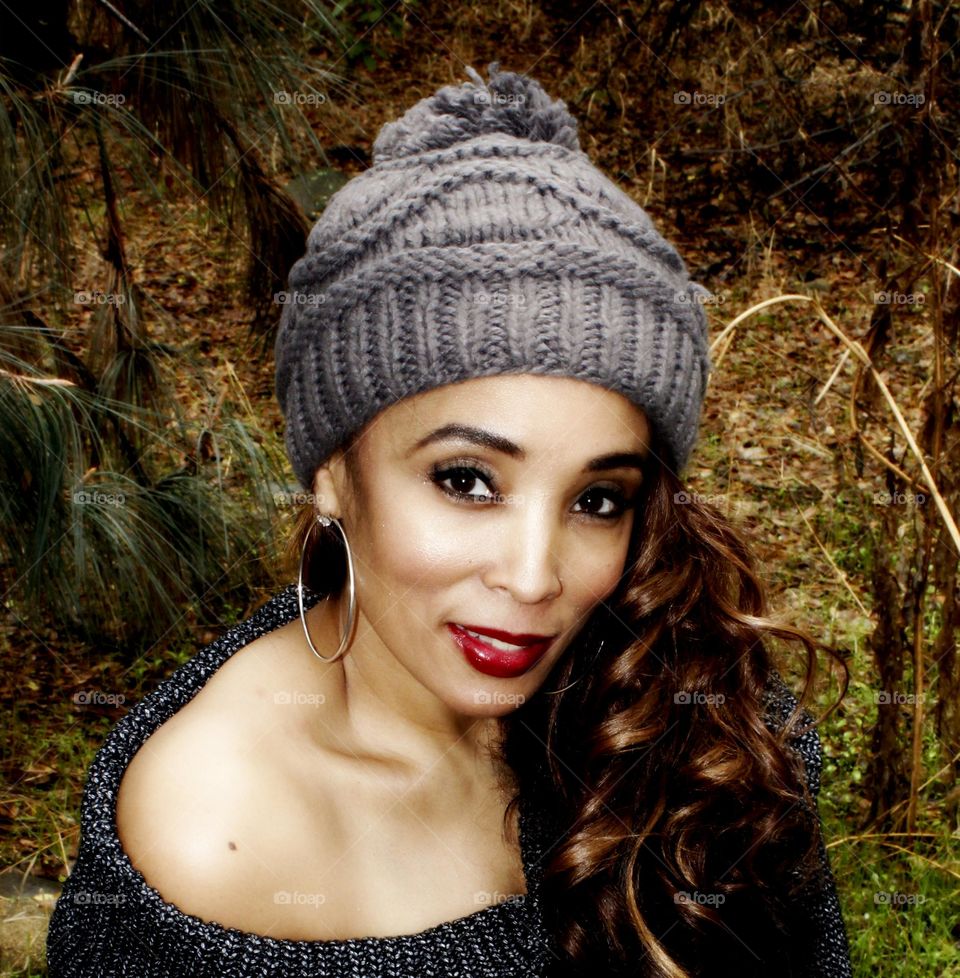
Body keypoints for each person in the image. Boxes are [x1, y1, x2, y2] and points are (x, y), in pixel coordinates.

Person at [45, 62, 853, 978]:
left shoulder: (685, 701)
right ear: (331, 476)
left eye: (598, 499)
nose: (535, 575)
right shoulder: (216, 837)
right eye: (468, 481)